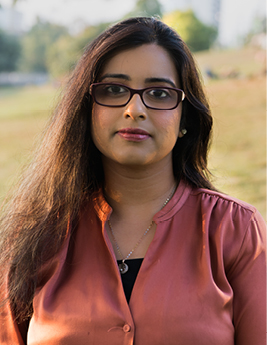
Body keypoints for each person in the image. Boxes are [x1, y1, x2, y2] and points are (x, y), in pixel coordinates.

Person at [0, 17, 265, 345]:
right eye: (113, 90)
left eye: (159, 92)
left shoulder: (235, 230)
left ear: (184, 116)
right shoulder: (37, 236)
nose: (134, 109)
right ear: (87, 109)